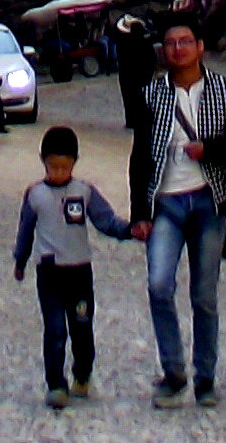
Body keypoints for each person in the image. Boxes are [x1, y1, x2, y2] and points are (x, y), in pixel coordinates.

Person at [130, 17, 226, 405]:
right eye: (170, 43)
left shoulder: (224, 90)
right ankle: (174, 370)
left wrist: (209, 149)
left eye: (184, 41)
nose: (177, 49)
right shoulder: (150, 94)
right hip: (164, 202)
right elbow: (140, 155)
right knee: (159, 285)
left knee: (204, 294)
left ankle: (206, 377)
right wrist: (138, 212)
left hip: (206, 200)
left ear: (200, 46)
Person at [12, 122, 136, 409]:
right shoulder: (35, 195)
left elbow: (106, 220)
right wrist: (20, 259)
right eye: (53, 167)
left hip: (80, 271)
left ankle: (82, 372)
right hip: (50, 273)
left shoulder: (85, 192)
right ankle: (56, 382)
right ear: (44, 163)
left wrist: (130, 230)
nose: (58, 173)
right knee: (55, 328)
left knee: (82, 326)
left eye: (64, 167)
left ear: (74, 164)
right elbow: (25, 229)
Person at [111, 9, 155, 137]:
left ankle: (131, 121)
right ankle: (142, 120)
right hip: (142, 76)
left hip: (127, 75)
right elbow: (151, 60)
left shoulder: (123, 43)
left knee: (129, 98)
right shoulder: (145, 43)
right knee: (142, 98)